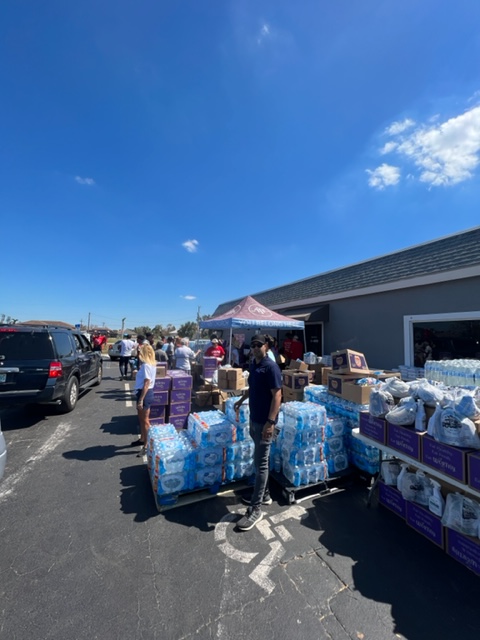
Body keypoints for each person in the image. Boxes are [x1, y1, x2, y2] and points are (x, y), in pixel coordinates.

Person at [234, 334, 282, 531]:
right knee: (260, 460)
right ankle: (265, 495)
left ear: (266, 346)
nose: (255, 348)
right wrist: (240, 400)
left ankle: (256, 509)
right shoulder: (254, 364)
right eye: (252, 345)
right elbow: (252, 387)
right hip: (254, 420)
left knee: (260, 463)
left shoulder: (271, 367)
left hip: (265, 423)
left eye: (258, 345)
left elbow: (278, 395)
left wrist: (270, 423)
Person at [132, 344, 157, 454]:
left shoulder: (146, 365)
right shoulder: (151, 364)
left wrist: (141, 399)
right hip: (144, 393)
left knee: (145, 420)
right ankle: (143, 439)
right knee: (141, 418)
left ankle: (147, 445)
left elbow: (147, 383)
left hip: (144, 394)